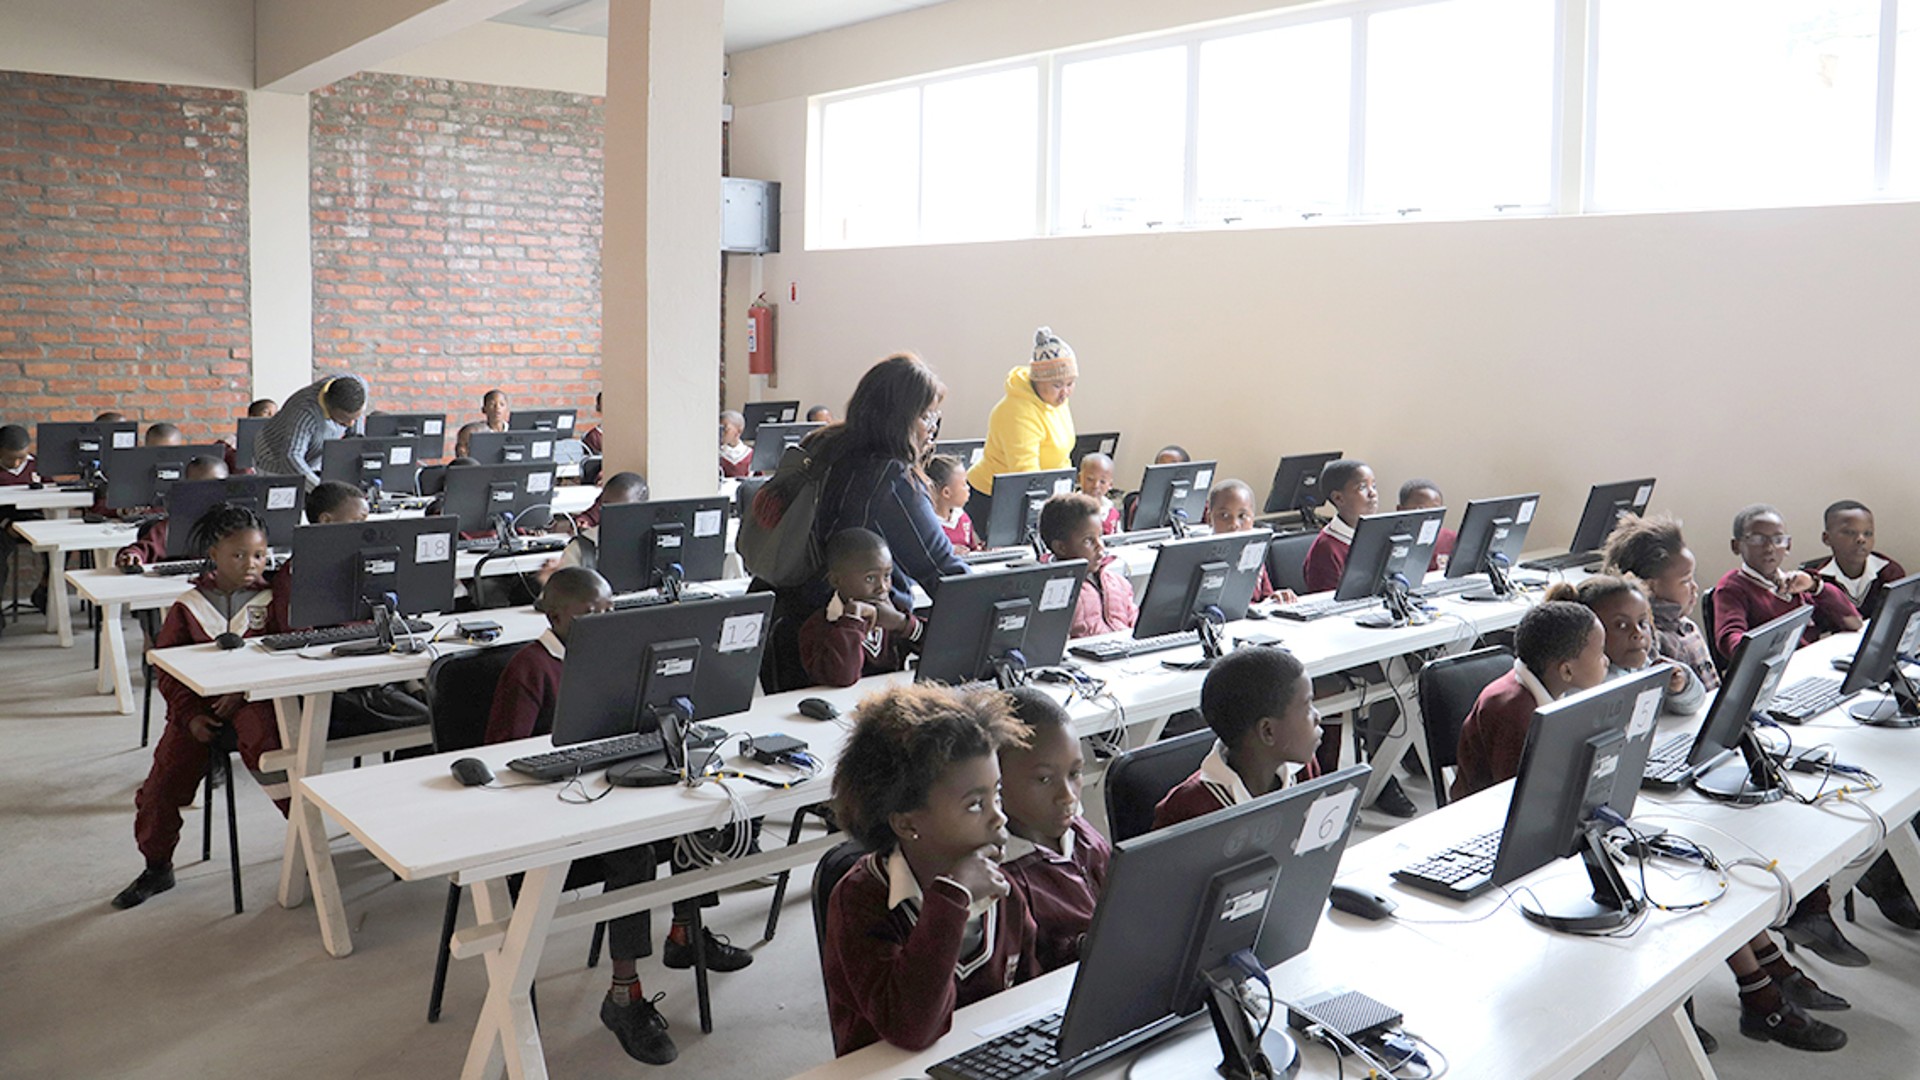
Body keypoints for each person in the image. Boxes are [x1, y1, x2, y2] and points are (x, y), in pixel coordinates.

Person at [484, 567, 748, 1065]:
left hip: (611, 786)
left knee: (696, 820)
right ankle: (623, 993)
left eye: (610, 611)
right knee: (636, 853)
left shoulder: (610, 658)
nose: (604, 623)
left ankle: (685, 930)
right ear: (555, 614)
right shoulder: (530, 667)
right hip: (555, 807)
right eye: (590, 614)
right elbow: (504, 755)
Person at [823, 683, 1037, 1055]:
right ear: (907, 825)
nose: (999, 816)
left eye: (997, 795)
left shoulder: (1004, 888)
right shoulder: (860, 901)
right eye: (975, 805)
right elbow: (911, 1028)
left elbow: (1031, 1000)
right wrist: (953, 897)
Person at [112, 504, 288, 909]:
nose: (251, 564)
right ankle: (157, 866)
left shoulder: (274, 598)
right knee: (162, 785)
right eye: (239, 555)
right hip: (197, 711)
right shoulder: (188, 606)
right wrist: (190, 715)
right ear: (213, 553)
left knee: (276, 758)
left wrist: (246, 690)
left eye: (259, 555)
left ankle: (305, 844)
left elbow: (284, 653)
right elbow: (169, 669)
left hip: (253, 701)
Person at [765, 353, 967, 624]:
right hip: (848, 630)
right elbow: (941, 570)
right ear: (900, 420)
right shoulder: (890, 480)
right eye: (926, 417)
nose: (931, 429)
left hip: (786, 613)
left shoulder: (822, 442)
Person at [1450, 600, 1609, 801]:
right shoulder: (1512, 713)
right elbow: (1520, 799)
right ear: (1567, 671)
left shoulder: (1550, 686)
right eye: (1601, 653)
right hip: (1486, 817)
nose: (1606, 661)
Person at [998, 686, 1109, 973]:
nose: (1068, 795)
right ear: (994, 782)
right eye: (1045, 779)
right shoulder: (1002, 880)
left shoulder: (1081, 835)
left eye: (1074, 774)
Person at [1153, 646, 1323, 829]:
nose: (1317, 716)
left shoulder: (1302, 770)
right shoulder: (1186, 810)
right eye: (1307, 706)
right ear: (1268, 732)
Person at [1711, 504, 1861, 663]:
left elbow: (1853, 622)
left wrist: (1816, 586)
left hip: (1813, 663)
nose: (1769, 548)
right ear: (1736, 546)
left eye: (1778, 540)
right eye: (1757, 539)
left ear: (1788, 545)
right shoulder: (1733, 587)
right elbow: (1731, 641)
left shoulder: (1796, 584)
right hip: (1778, 673)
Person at [966, 327, 1077, 526]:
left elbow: (1062, 455)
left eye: (1071, 383)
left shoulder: (1054, 402)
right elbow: (1026, 473)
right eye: (1058, 385)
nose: (1066, 392)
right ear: (1038, 381)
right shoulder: (1017, 412)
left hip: (1039, 494)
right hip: (992, 498)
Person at [1547, 576, 1702, 714]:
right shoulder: (1581, 683)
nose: (1638, 633)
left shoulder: (1645, 666)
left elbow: (1695, 704)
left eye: (1642, 623)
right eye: (1621, 625)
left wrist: (1681, 685)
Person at [799, 529, 925, 688]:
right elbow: (842, 677)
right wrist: (852, 621)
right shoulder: (818, 626)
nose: (883, 588)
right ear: (836, 581)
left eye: (887, 576)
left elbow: (943, 650)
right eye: (870, 578)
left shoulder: (894, 613)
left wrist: (902, 624)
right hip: (843, 708)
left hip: (890, 703)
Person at [1039, 493, 1134, 639]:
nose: (1100, 546)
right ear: (1061, 547)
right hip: (1086, 660)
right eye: (1088, 541)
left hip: (1127, 656)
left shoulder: (1118, 583)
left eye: (1100, 536)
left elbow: (1137, 626)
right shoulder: (1054, 593)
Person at [254, 373, 368, 490]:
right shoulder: (305, 414)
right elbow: (291, 458)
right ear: (330, 409)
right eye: (345, 419)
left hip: (312, 455)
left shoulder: (359, 387)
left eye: (355, 418)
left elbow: (354, 437)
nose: (351, 424)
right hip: (275, 458)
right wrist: (323, 490)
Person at [114, 456, 230, 567]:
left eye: (215, 486)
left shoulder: (238, 523)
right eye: (199, 487)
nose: (207, 493)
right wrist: (133, 555)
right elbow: (144, 548)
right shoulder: (175, 524)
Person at [1805, 500, 1908, 621]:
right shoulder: (1816, 582)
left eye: (1868, 533)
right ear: (1827, 538)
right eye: (1849, 532)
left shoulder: (1890, 572)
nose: (1861, 539)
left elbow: (1899, 618)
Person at [1203, 479, 1297, 603]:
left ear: (1252, 519)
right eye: (1224, 515)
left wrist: (1277, 598)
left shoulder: (1253, 552)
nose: (1234, 524)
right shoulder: (1202, 557)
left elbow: (1265, 597)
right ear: (1209, 518)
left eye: (1242, 516)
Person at [1302, 459, 1378, 593]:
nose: (1373, 493)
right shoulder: (1327, 549)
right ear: (1338, 498)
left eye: (1374, 486)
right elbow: (1329, 604)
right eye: (1362, 487)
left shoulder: (1377, 535)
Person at [551, 471, 649, 574]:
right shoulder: (582, 548)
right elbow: (566, 587)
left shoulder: (653, 546)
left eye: (623, 511)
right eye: (607, 508)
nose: (615, 517)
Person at [0, 425, 46, 625]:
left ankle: (45, 589)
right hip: (3, 525)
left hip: (33, 518)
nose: (17, 462)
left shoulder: (37, 465)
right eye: (11, 458)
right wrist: (7, 524)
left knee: (62, 541)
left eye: (22, 457)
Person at [1121, 446, 1190, 530]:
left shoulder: (1196, 502)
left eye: (1172, 467)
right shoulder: (1137, 501)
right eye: (1161, 467)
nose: (1165, 472)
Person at [1397, 478, 1457, 572]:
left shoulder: (1452, 539)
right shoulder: (1394, 544)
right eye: (1421, 509)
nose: (1430, 517)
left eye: (1435, 511)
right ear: (1401, 510)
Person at [924, 454, 978, 552]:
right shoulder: (928, 524)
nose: (968, 488)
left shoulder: (962, 517)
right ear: (946, 492)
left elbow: (972, 548)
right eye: (964, 484)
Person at [1075, 452, 1119, 535]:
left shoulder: (1112, 512)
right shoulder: (1071, 508)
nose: (1095, 486)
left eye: (1102, 482)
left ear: (1110, 485)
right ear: (1079, 478)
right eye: (1090, 479)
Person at [719, 410, 752, 479]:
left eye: (725, 429)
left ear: (739, 430)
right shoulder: (718, 455)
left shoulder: (751, 455)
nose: (721, 433)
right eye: (719, 429)